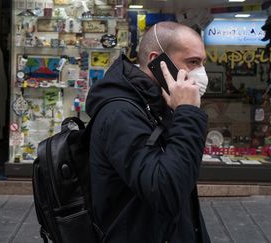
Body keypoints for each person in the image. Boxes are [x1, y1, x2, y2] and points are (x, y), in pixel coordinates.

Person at [86, 21, 211, 243]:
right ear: (156, 61)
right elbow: (165, 190)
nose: (201, 72)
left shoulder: (159, 102)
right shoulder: (121, 114)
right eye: (192, 62)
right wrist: (188, 112)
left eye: (202, 63)